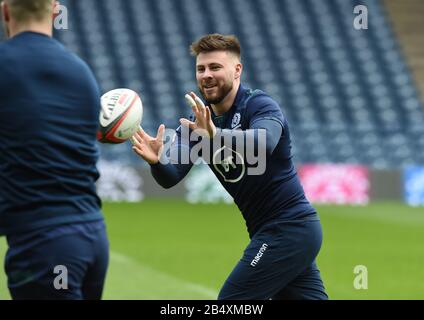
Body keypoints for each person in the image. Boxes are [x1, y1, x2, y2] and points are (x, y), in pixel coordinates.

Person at [132, 33, 327, 300]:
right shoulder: (198, 122)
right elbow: (171, 176)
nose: (206, 75)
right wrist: (157, 162)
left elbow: (263, 143)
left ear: (237, 70)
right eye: (201, 69)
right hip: (277, 234)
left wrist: (215, 135)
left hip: (289, 228)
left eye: (215, 67)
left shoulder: (258, 105)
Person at [0, 0, 108, 299]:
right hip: (92, 235)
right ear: (55, 12)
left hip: (44, 244)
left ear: (5, 11)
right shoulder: (81, 72)